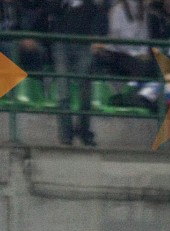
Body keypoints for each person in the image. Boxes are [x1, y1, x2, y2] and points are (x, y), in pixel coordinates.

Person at [47, 0, 107, 146]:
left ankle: (84, 132)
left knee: (85, 92)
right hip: (60, 43)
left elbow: (100, 21)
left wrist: (96, 38)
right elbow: (48, 11)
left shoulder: (91, 6)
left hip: (84, 44)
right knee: (63, 92)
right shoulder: (61, 5)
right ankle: (66, 136)